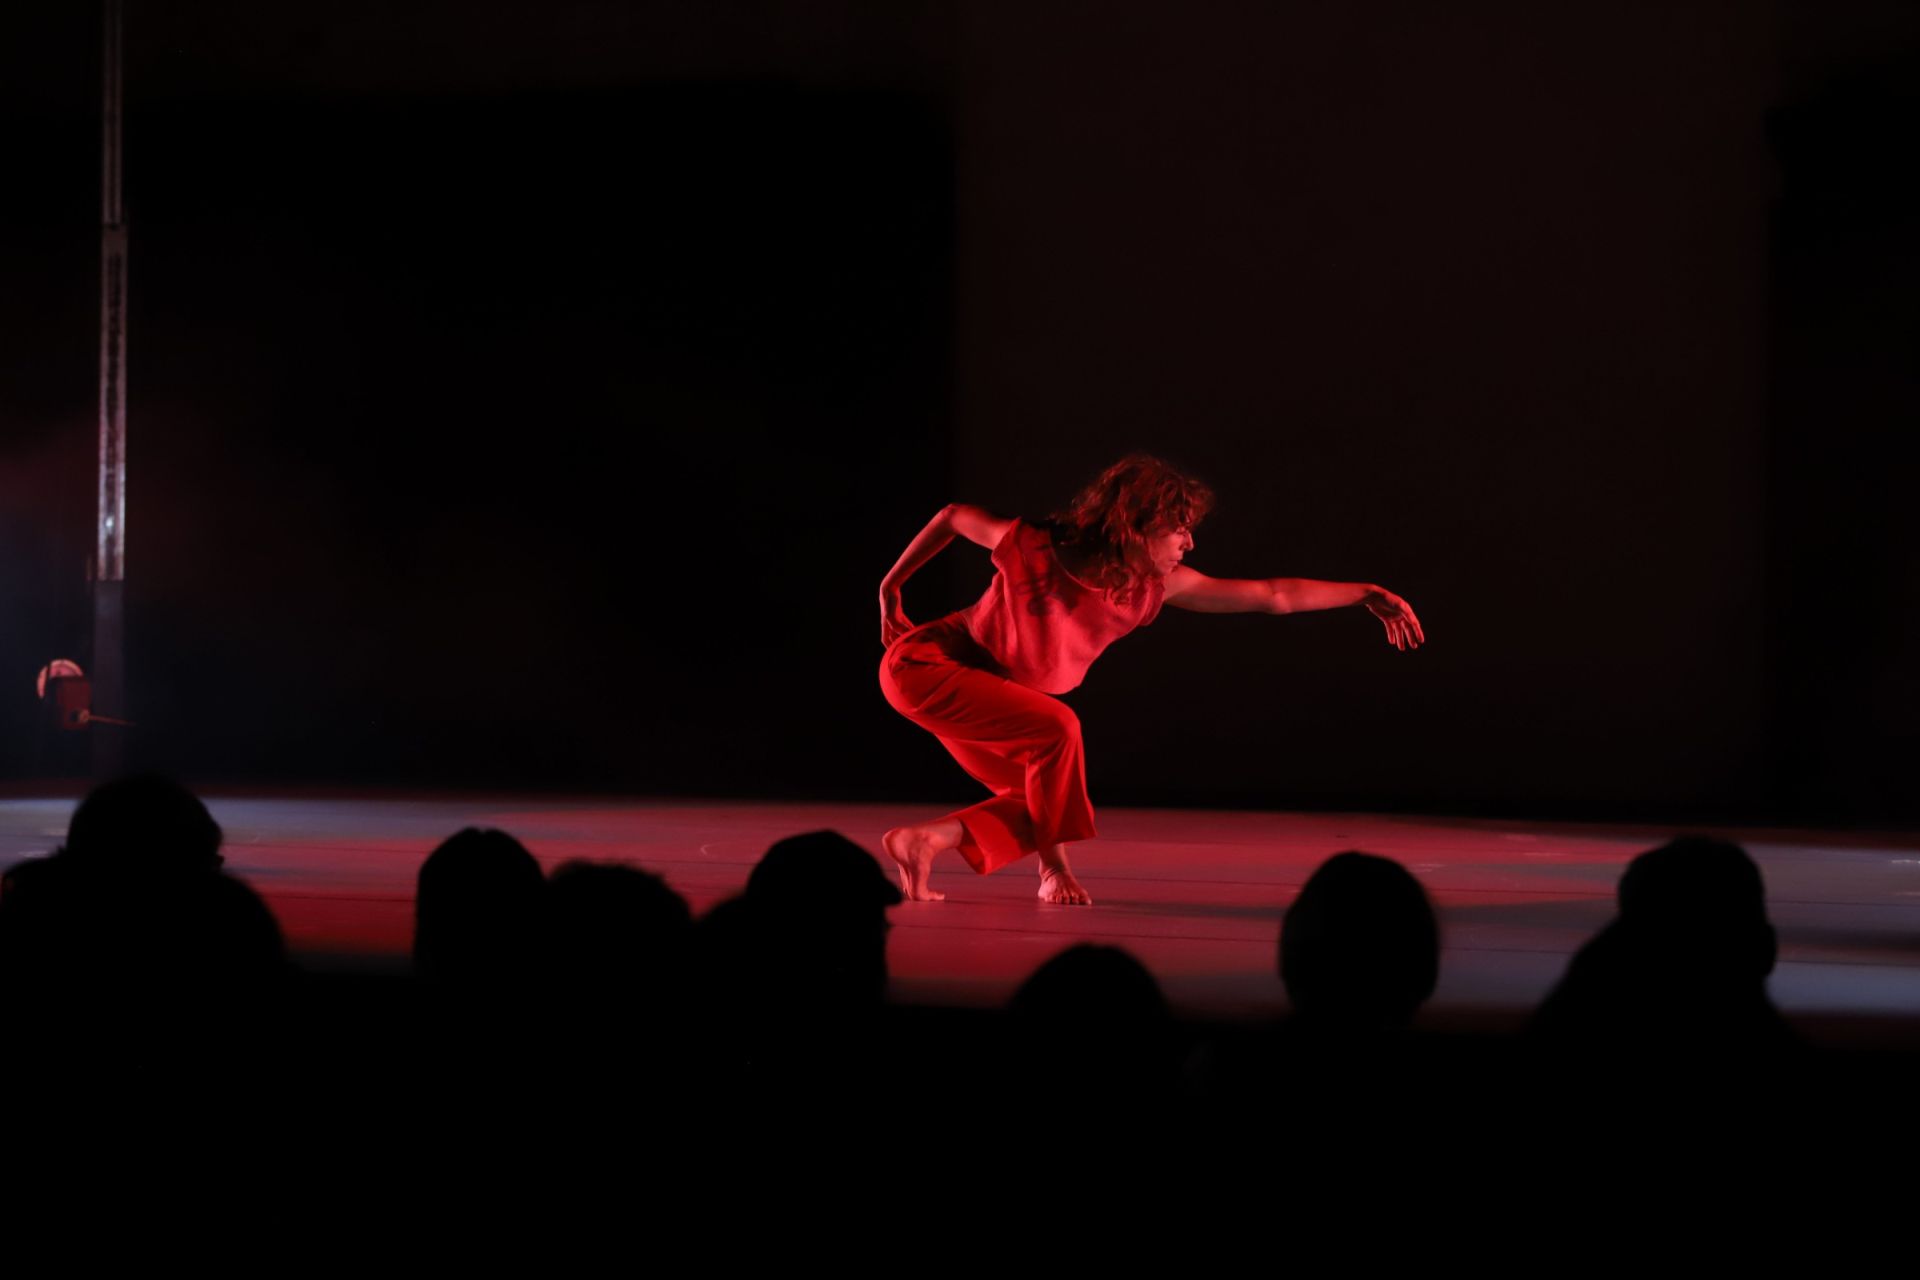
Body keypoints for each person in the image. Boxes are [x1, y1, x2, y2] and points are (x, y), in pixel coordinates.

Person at [877, 453, 1424, 905]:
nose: (1190, 544)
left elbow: (1272, 595)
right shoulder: (1032, 548)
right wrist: (890, 588)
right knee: (1058, 729)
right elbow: (953, 515)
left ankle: (925, 841)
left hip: (983, 693)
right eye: (1179, 530)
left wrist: (1365, 592)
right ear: (1133, 528)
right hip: (928, 668)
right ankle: (1052, 871)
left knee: (1042, 799)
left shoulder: (1155, 588)